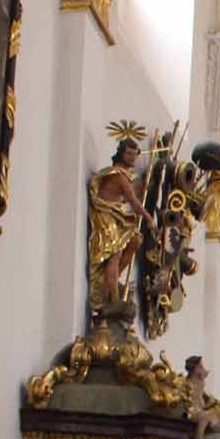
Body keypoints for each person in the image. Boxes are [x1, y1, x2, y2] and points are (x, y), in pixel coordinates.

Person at [87, 136, 147, 320]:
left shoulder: (125, 177)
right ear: (121, 153)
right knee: (115, 255)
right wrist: (148, 218)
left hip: (116, 216)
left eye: (134, 154)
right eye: (128, 153)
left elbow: (130, 198)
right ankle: (113, 299)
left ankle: (110, 283)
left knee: (135, 240)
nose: (131, 157)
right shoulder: (118, 175)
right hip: (107, 218)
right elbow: (132, 201)